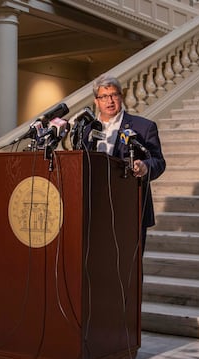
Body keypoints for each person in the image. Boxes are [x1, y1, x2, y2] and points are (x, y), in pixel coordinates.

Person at [82, 74, 166, 253]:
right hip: (94, 209)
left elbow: (158, 161)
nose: (110, 101)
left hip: (130, 209)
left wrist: (145, 168)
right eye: (104, 96)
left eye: (114, 95)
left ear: (121, 97)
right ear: (96, 101)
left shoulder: (143, 127)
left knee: (130, 268)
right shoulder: (87, 130)